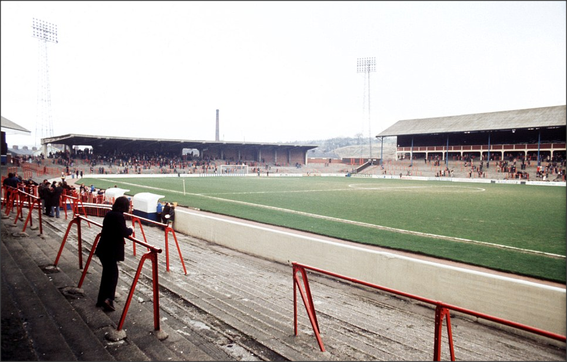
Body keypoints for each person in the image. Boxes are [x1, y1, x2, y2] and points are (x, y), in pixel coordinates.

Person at [94, 196, 133, 312]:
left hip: (104, 249)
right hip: (109, 251)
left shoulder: (110, 214)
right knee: (112, 276)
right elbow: (124, 232)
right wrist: (131, 229)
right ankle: (108, 300)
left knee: (107, 275)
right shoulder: (118, 216)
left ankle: (101, 300)